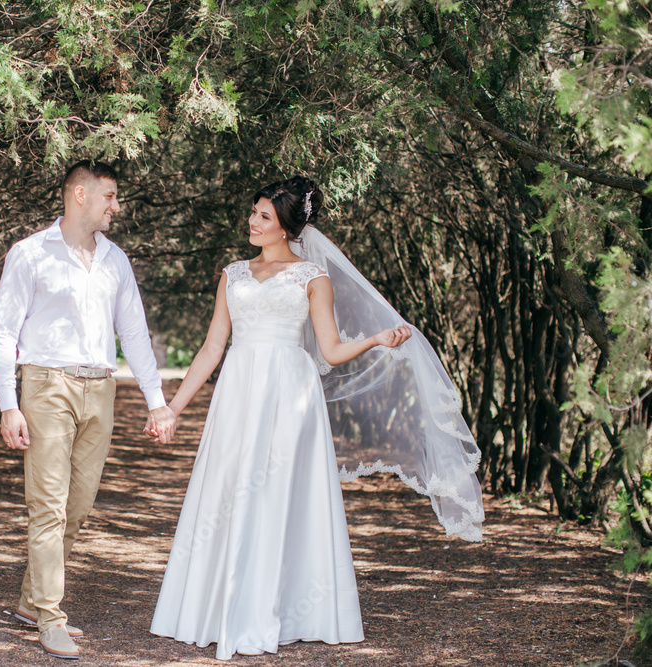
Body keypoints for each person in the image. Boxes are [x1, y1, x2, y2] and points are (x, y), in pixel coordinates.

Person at [150, 176, 483, 659]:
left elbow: (329, 348)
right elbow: (210, 347)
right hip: (239, 388)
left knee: (279, 492)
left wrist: (374, 340)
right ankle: (214, 604)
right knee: (229, 487)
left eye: (263, 216)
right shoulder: (232, 273)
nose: (253, 221)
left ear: (285, 227)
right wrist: (172, 407)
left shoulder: (312, 277)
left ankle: (278, 608)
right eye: (253, 212)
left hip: (290, 390)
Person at [0, 160, 176, 660]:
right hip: (47, 386)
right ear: (79, 194)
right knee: (47, 506)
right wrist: (10, 405)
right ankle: (51, 616)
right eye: (110, 196)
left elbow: (133, 333)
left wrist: (156, 401)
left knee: (79, 505)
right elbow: (4, 332)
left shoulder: (116, 260)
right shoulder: (29, 254)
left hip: (101, 389)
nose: (117, 206)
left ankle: (30, 600)